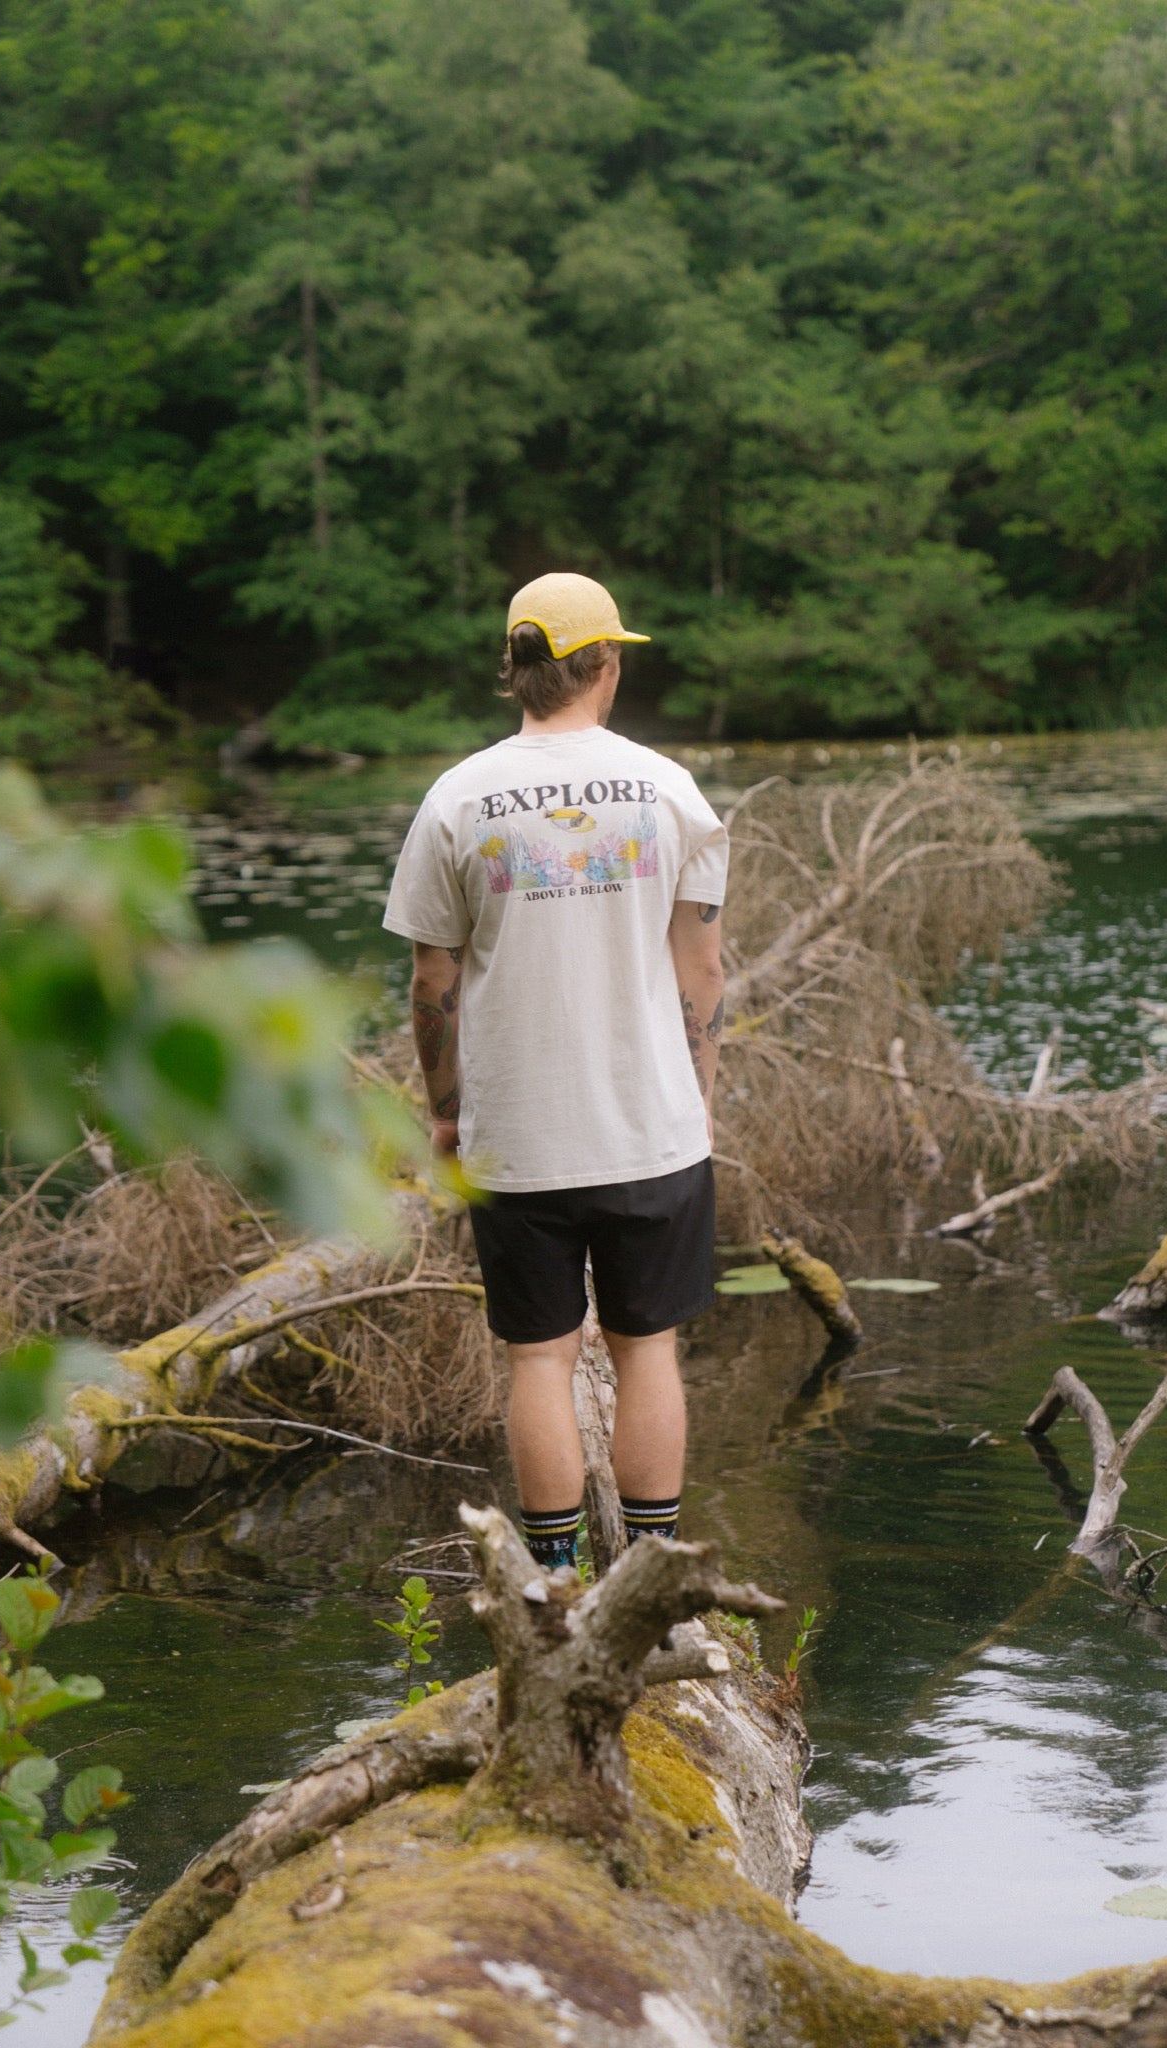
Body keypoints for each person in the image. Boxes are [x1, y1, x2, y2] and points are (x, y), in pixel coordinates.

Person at [383, 571, 728, 1571]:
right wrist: (695, 1096)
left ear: (515, 671)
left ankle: (556, 1579)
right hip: (649, 1126)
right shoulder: (670, 790)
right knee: (647, 1345)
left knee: (539, 1355)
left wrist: (447, 1114)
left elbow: (430, 976)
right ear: (606, 664)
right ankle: (651, 1573)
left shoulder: (456, 797)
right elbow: (701, 963)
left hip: (519, 1134)